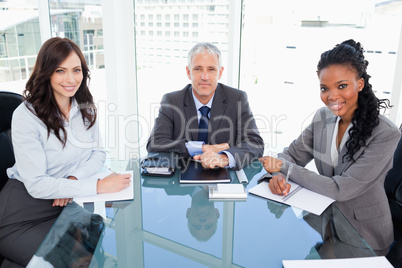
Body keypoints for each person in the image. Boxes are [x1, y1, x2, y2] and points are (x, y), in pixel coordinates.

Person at [259, 39, 400, 255]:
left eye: (342, 86)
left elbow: (341, 189)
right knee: (271, 248)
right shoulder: (322, 118)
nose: (332, 96)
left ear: (359, 84)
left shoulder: (385, 133)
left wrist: (285, 168)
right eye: (325, 88)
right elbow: (290, 155)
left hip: (363, 234)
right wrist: (277, 174)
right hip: (321, 219)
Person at [0, 37, 131, 267]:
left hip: (67, 201)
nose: (71, 79)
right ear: (47, 72)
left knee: (96, 253)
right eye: (61, 71)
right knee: (69, 263)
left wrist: (73, 179)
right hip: (23, 214)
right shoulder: (26, 115)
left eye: (76, 70)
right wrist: (97, 186)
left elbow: (98, 153)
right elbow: (37, 184)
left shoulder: (85, 108)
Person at [146, 42, 264, 170]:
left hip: (225, 173)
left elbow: (255, 143)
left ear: (220, 72)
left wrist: (224, 157)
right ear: (188, 72)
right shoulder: (172, 101)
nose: (204, 77)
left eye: (211, 69)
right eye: (198, 69)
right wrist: (200, 148)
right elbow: (155, 143)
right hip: (183, 174)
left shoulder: (237, 99)